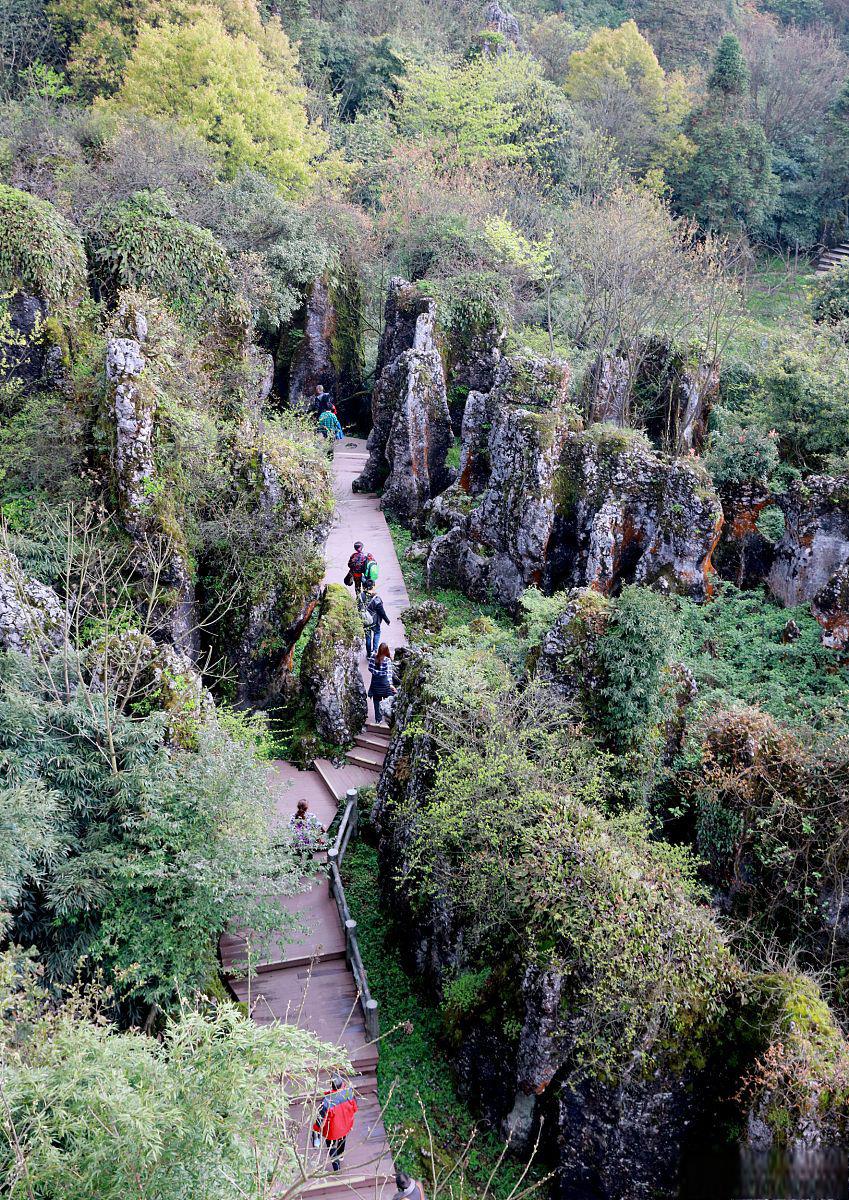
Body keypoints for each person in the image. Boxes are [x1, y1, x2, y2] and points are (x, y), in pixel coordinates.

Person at [311, 1073, 358, 1172]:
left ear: (331, 1086)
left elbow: (320, 1120)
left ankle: (337, 1168)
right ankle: (341, 1156)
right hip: (346, 1125)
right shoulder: (349, 1093)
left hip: (332, 1131)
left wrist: (316, 1131)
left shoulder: (327, 1101)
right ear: (342, 1084)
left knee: (332, 1147)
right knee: (343, 1138)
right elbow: (355, 1108)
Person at [367, 642, 396, 724]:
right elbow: (389, 673)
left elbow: (370, 668)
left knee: (376, 702)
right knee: (390, 701)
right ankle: (389, 720)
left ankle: (378, 720)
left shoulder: (373, 657)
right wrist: (391, 685)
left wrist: (376, 673)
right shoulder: (387, 660)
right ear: (387, 651)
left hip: (375, 684)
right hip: (385, 684)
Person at [361, 580, 390, 657]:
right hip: (375, 621)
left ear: (364, 587)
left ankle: (368, 654)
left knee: (368, 637)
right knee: (377, 633)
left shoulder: (361, 596)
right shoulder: (376, 599)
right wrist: (387, 620)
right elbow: (382, 612)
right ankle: (374, 651)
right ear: (373, 586)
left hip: (365, 621)